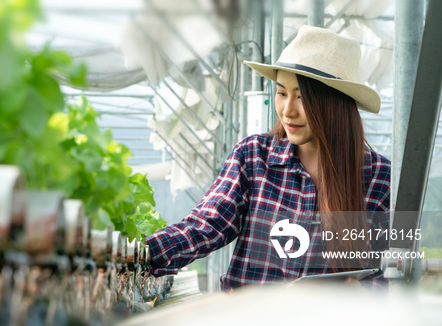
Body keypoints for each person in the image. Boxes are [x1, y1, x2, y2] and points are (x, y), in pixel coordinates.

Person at [145, 25, 391, 291]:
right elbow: (205, 226)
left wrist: (352, 293)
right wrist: (139, 254)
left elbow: (384, 276)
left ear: (335, 103)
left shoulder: (379, 177)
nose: (287, 111)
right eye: (282, 93)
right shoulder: (254, 158)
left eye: (302, 97)